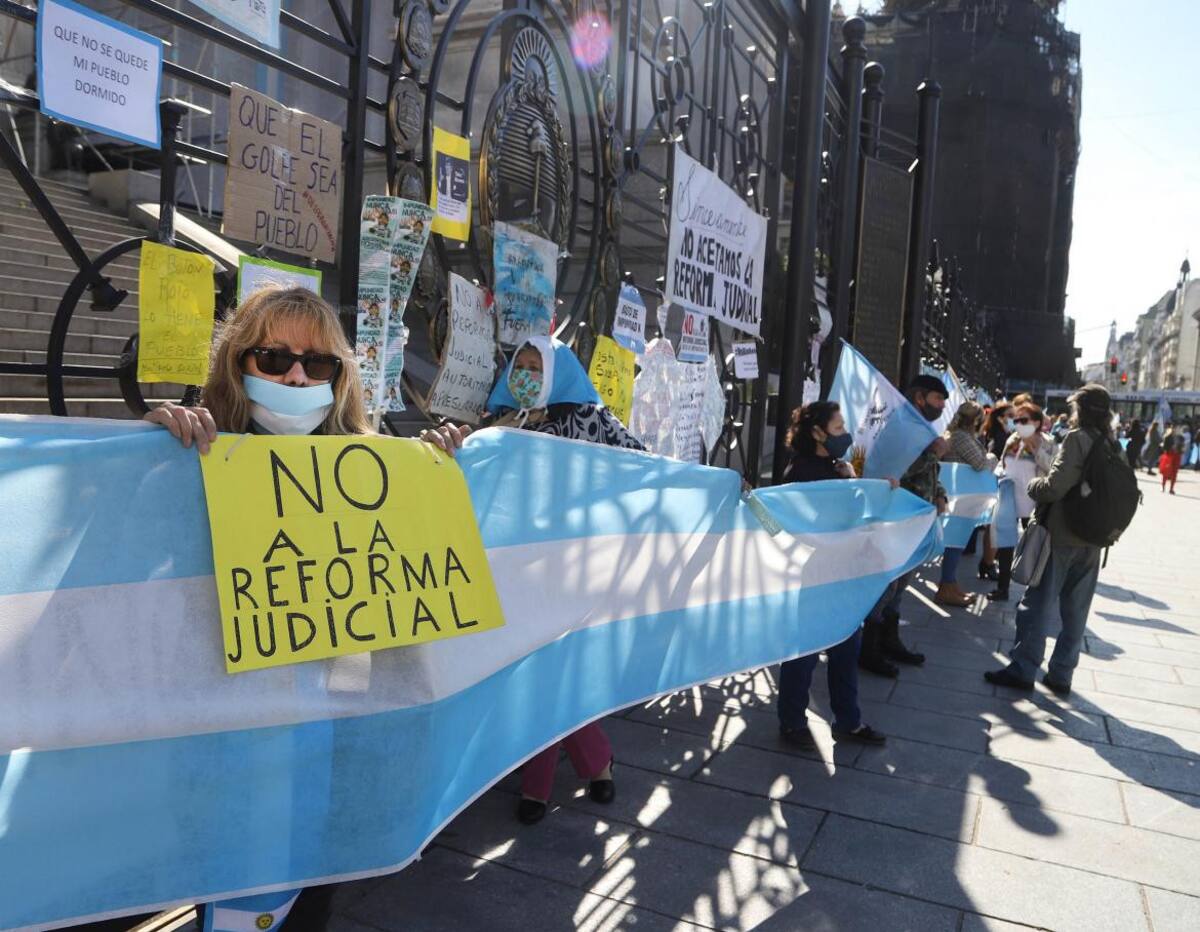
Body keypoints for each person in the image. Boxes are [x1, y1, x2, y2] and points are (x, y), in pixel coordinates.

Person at [145, 286, 371, 931]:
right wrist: (146, 455)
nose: (297, 376)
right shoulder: (192, 455)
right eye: (274, 359)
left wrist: (441, 463)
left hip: (327, 736)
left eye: (318, 364)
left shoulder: (371, 468)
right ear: (238, 365)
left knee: (308, 902)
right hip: (225, 741)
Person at [428, 335, 637, 826]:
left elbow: (643, 467)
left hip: (572, 568)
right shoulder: (495, 424)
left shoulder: (590, 419)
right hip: (511, 572)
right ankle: (591, 764)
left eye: (534, 366)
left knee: (553, 668)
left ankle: (546, 782)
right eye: (517, 365)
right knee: (529, 668)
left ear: (557, 371)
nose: (523, 374)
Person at [984, 384, 1114, 697]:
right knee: (1075, 611)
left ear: (1080, 409)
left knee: (1037, 604)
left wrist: (1033, 487)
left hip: (1063, 534)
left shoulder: (1077, 439)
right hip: (1094, 539)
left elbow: (1055, 487)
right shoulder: (1111, 443)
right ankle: (1061, 675)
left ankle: (1023, 669)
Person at [775, 402, 887, 749]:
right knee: (804, 654)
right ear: (817, 432)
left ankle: (847, 721)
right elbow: (786, 525)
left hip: (843, 573)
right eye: (838, 428)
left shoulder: (833, 467)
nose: (845, 435)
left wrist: (852, 481)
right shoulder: (803, 471)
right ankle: (792, 722)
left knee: (846, 650)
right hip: (817, 574)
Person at [868, 374, 949, 677]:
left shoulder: (922, 428)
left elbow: (930, 474)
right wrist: (932, 454)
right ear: (919, 398)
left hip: (918, 520)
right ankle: (870, 647)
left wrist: (940, 493)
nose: (942, 406)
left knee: (901, 585)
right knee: (888, 584)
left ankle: (890, 639)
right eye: (937, 399)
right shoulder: (902, 427)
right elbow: (896, 471)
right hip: (897, 519)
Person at [990, 402, 1056, 601]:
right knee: (1005, 544)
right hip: (1010, 497)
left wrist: (1036, 450)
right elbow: (1003, 463)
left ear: (1037, 422)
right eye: (1016, 419)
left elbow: (1052, 468)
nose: (1018, 423)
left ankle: (1031, 592)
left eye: (1024, 420)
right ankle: (1003, 588)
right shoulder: (1013, 438)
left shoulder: (1048, 442)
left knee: (1033, 547)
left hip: (1034, 501)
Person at [937, 401, 997, 607]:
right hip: (960, 497)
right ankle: (947, 586)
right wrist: (993, 457)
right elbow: (980, 463)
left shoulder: (960, 435)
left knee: (957, 541)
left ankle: (950, 583)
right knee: (954, 541)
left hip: (961, 496)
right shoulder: (961, 437)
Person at [1159, 425, 1183, 494]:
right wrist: (1169, 449)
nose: (1175, 430)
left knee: (1174, 473)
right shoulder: (1167, 437)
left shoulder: (1180, 438)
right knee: (1166, 472)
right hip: (1168, 456)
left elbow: (1182, 447)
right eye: (1174, 429)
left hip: (1176, 456)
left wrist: (1180, 450)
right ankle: (1163, 486)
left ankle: (1171, 489)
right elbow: (1164, 447)